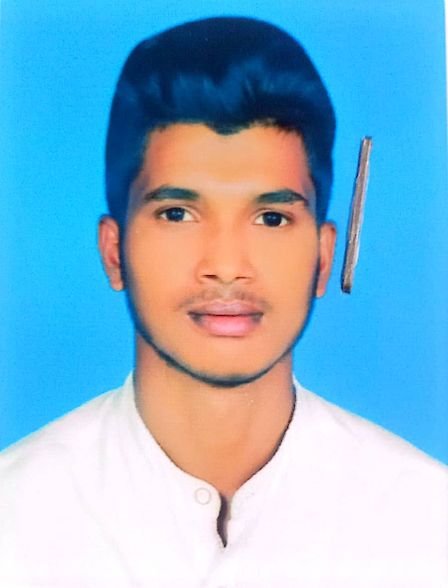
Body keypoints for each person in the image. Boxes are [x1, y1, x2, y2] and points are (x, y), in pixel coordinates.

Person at [0, 16, 446, 588]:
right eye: (178, 214)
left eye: (271, 217)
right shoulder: (16, 518)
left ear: (324, 256)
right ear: (114, 252)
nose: (228, 266)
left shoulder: (426, 521)